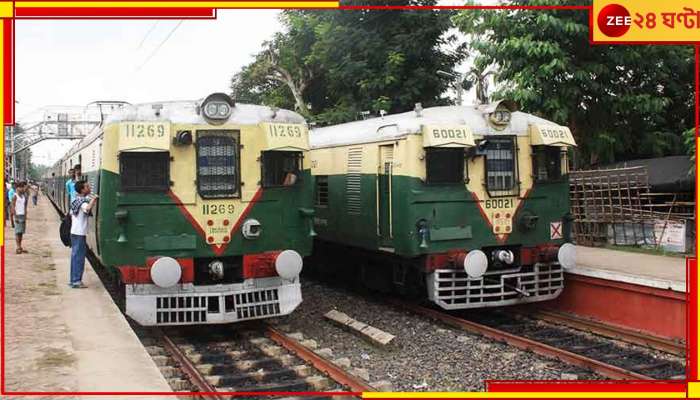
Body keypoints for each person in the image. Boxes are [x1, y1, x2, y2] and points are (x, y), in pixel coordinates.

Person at [69, 180, 98, 288]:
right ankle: (76, 281)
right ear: (82, 190)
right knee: (79, 257)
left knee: (75, 257)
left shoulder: (76, 199)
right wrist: (94, 199)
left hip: (75, 232)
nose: (89, 188)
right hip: (79, 233)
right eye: (87, 186)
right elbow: (87, 208)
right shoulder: (83, 202)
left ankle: (73, 280)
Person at [10, 181, 28, 254]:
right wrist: (15, 217)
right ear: (17, 188)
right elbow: (13, 207)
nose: (23, 189)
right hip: (18, 216)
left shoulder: (23, 196)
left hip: (23, 216)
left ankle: (20, 246)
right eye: (21, 187)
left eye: (23, 187)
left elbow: (24, 206)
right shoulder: (15, 196)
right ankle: (18, 247)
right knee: (17, 232)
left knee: (21, 232)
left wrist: (25, 215)